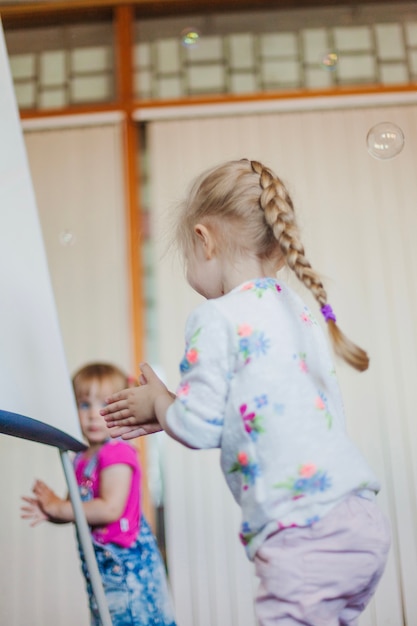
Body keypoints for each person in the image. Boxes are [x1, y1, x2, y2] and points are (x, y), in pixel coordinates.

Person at [100, 159, 391, 625]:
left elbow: (197, 426)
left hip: (305, 532)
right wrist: (167, 408)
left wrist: (159, 401)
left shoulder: (215, 316)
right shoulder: (296, 310)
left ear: (204, 239)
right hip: (361, 522)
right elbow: (258, 405)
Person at [21, 362, 176, 626]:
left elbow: (108, 509)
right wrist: (52, 510)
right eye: (84, 405)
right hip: (101, 575)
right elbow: (77, 512)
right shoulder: (80, 457)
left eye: (104, 404)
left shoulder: (116, 452)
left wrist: (61, 508)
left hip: (127, 574)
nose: (94, 414)